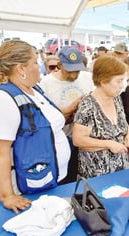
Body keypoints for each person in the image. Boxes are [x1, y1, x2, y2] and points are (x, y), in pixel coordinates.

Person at [0, 40, 71, 213]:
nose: (39, 66)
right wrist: (8, 196)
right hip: (29, 189)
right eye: (35, 62)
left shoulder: (33, 90)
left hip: (52, 180)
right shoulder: (0, 98)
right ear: (21, 68)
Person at [72, 55, 129, 178]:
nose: (122, 85)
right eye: (119, 81)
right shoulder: (88, 105)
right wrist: (109, 144)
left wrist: (128, 134)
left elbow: (122, 121)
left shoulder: (116, 98)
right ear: (103, 80)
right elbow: (78, 139)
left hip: (121, 169)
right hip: (97, 174)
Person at [39, 46, 94, 184]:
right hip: (62, 139)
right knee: (66, 179)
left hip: (86, 138)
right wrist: (71, 108)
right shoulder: (47, 83)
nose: (74, 75)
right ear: (59, 65)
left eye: (77, 70)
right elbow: (45, 115)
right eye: (70, 71)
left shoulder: (87, 78)